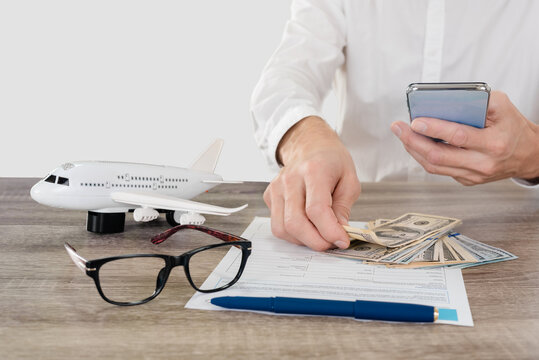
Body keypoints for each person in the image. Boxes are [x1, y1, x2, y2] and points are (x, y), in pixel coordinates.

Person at [250, 0, 539, 252]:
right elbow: (285, 77)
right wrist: (306, 140)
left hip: (512, 230)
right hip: (354, 217)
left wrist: (533, 157)